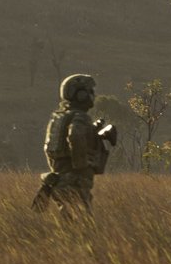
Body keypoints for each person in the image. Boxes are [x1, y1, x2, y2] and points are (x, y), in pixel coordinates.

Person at [34, 74, 116, 215]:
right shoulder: (80, 117)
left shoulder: (60, 118)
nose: (93, 95)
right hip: (74, 182)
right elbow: (75, 135)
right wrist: (81, 165)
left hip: (60, 179)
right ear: (81, 94)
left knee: (69, 223)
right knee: (84, 224)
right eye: (89, 92)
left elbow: (52, 148)